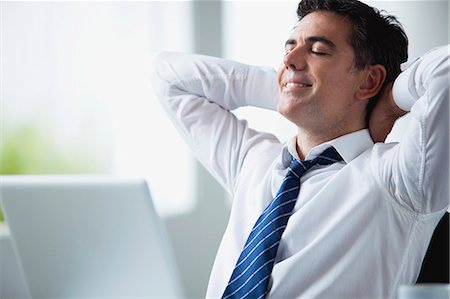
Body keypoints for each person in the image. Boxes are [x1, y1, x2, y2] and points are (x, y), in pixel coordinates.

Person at [152, 0, 449, 298]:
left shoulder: (397, 180)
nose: (291, 58)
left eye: (318, 50)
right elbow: (169, 77)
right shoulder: (255, 160)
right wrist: (289, 84)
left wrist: (389, 103)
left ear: (370, 80)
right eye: (288, 47)